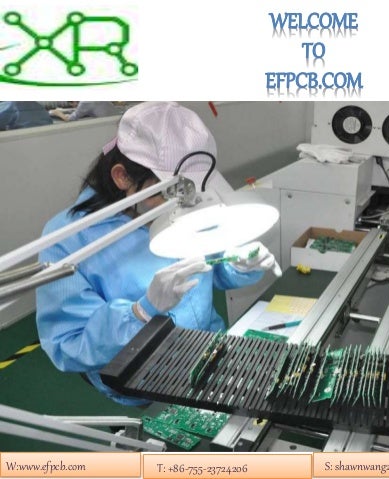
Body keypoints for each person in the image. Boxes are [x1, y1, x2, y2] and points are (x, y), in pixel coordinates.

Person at [36, 102, 280, 405]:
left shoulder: (190, 204)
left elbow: (213, 269)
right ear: (122, 177)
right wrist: (141, 312)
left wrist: (238, 265)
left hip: (208, 351)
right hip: (140, 377)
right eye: (169, 192)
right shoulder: (68, 240)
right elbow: (70, 346)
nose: (183, 205)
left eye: (191, 191)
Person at [49, 101, 119, 121]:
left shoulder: (85, 102)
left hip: (108, 125)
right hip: (114, 121)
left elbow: (69, 119)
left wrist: (57, 113)